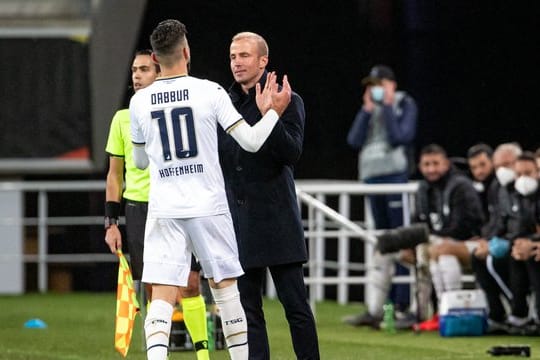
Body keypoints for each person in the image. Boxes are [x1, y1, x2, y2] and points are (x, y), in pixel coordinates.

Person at [129, 20, 292, 360]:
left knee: (161, 292)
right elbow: (250, 142)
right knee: (225, 289)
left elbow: (141, 162)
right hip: (208, 205)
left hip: (165, 208)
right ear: (186, 52)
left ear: (156, 59)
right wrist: (273, 114)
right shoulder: (210, 92)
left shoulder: (140, 102)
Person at [218, 31, 320, 360]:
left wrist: (271, 115)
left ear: (263, 61)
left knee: (297, 308)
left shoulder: (288, 98)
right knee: (249, 313)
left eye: (244, 56)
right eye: (233, 56)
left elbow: (291, 153)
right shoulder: (222, 102)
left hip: (277, 220)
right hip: (238, 222)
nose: (237, 62)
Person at [104, 49, 210, 359]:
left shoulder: (175, 112)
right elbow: (114, 176)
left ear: (160, 72)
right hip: (141, 209)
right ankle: (157, 354)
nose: (136, 75)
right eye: (134, 70)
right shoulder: (123, 119)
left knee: (191, 283)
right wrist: (111, 223)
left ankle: (203, 355)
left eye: (144, 69)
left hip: (179, 204)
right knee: (154, 288)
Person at [346, 64, 418, 323]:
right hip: (371, 177)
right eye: (371, 85)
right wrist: (366, 110)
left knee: (400, 239)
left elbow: (401, 136)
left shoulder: (404, 103)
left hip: (395, 177)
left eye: (379, 84)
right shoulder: (368, 108)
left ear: (391, 84)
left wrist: (387, 106)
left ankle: (402, 305)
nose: (374, 89)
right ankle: (380, 307)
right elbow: (353, 140)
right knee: (382, 240)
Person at [467, 143, 513, 333]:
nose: (479, 171)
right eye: (474, 167)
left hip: (517, 240)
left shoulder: (507, 186)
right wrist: (486, 238)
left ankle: (519, 311)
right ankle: (497, 314)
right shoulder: (493, 187)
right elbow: (496, 220)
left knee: (492, 257)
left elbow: (512, 220)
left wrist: (494, 240)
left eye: (507, 164)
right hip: (509, 238)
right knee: (478, 256)